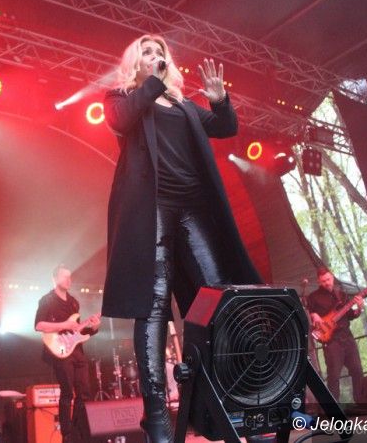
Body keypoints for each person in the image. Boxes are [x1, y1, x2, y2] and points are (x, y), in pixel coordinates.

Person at [101, 34, 261, 442]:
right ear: (135, 63)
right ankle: (156, 416)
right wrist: (151, 83)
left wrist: (220, 100)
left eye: (161, 53)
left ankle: (225, 403)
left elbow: (225, 127)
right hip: (151, 207)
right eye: (148, 53)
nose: (156, 57)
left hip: (193, 207)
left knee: (215, 298)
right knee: (153, 304)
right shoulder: (122, 98)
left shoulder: (183, 105)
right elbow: (120, 121)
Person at [35, 265, 100, 443]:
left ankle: (80, 432)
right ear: (55, 279)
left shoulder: (74, 302)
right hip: (60, 351)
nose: (68, 280)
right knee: (67, 393)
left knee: (84, 393)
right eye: (64, 277)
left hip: (77, 351)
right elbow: (39, 325)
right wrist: (64, 325)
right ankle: (68, 435)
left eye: (70, 277)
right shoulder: (47, 300)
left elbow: (77, 330)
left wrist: (94, 327)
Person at [307, 266, 365, 404]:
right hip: (332, 340)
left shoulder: (342, 294)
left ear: (332, 277)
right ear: (319, 281)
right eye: (323, 281)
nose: (326, 283)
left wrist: (360, 307)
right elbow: (310, 312)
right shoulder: (313, 297)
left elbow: (351, 315)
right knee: (334, 375)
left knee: (357, 370)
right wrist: (314, 315)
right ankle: (334, 407)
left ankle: (361, 402)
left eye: (328, 279)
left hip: (347, 337)